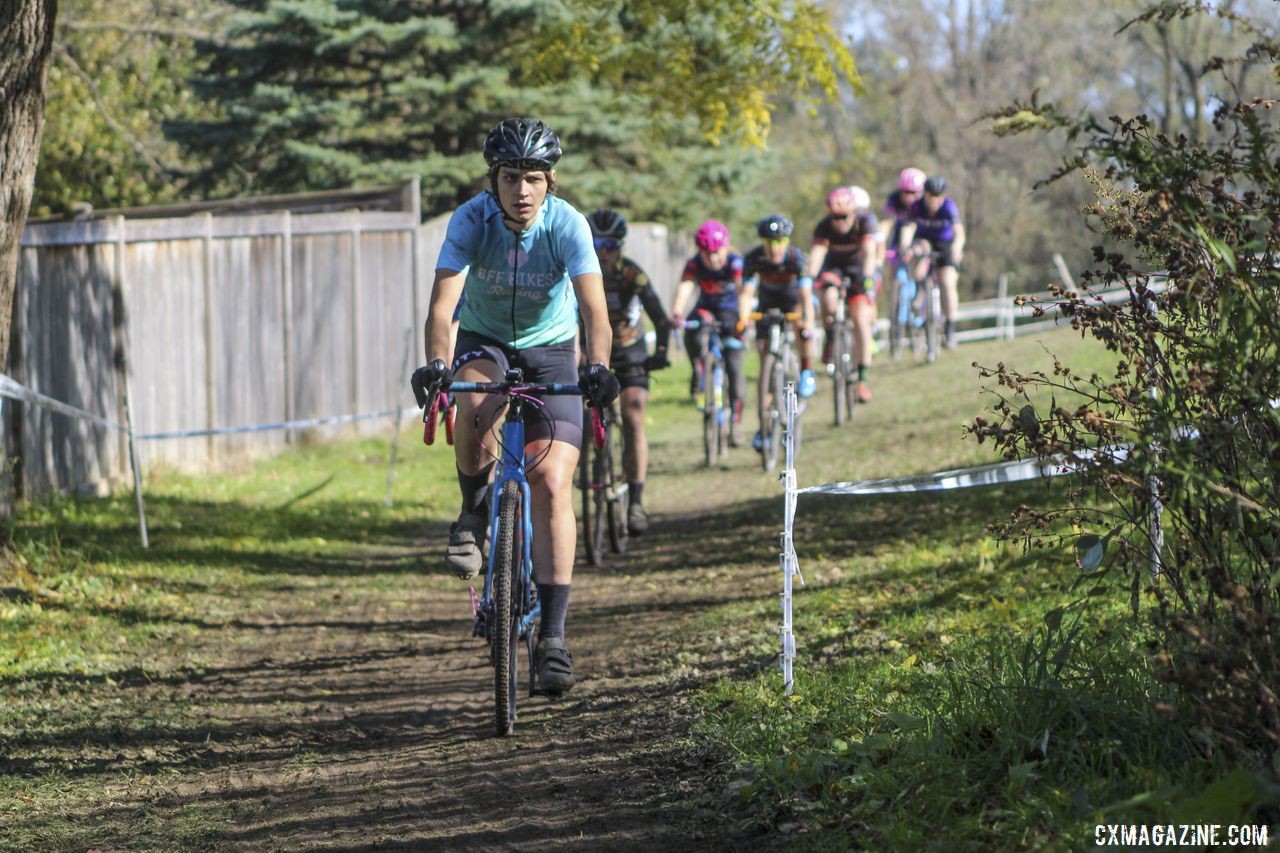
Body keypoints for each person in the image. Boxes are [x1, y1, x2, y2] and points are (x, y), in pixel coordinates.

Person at [409, 117, 619, 695]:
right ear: (492, 181)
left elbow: (595, 313)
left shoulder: (568, 225)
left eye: (532, 178)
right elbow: (441, 305)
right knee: (471, 399)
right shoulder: (471, 220)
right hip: (485, 341)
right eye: (509, 177)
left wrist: (598, 368)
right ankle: (472, 514)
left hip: (553, 350)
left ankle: (552, 638)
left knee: (552, 481)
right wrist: (435, 363)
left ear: (548, 182)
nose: (520, 190)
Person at [586, 208, 671, 534]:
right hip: (591, 352)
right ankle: (587, 471)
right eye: (597, 243)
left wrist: (660, 352)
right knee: (580, 415)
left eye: (611, 245)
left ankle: (636, 501)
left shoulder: (632, 274)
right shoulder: (578, 271)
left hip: (629, 352)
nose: (604, 251)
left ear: (620, 246)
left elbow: (660, 317)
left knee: (634, 416)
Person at [670, 220, 754, 447]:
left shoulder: (736, 262)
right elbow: (685, 287)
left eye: (717, 252)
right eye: (707, 254)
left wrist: (744, 318)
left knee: (735, 368)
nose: (713, 258)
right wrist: (677, 312)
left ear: (726, 247)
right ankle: (699, 369)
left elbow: (743, 291)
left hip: (731, 311)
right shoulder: (694, 264)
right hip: (706, 309)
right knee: (693, 329)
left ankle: (736, 420)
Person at [743, 214, 815, 452]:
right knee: (764, 354)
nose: (775, 248)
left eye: (780, 242)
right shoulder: (754, 258)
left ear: (787, 242)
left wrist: (808, 323)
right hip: (766, 302)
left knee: (801, 327)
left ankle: (806, 370)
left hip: (792, 300)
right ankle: (763, 424)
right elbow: (746, 294)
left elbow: (805, 297)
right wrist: (743, 318)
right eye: (770, 243)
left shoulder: (797, 258)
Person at [806, 186, 878, 402]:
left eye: (844, 217)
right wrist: (810, 276)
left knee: (860, 320)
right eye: (835, 217)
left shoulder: (865, 222)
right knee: (827, 300)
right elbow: (818, 253)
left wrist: (867, 276)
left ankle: (862, 380)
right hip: (833, 268)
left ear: (853, 212)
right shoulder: (824, 226)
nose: (839, 222)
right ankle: (830, 339)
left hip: (858, 269)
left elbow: (869, 252)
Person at [900, 175, 965, 349]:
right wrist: (905, 246)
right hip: (925, 242)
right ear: (925, 194)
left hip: (945, 245)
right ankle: (920, 292)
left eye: (938, 196)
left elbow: (958, 232)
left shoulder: (949, 207)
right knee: (920, 256)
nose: (934, 200)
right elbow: (909, 227)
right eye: (930, 196)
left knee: (947, 282)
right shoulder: (917, 206)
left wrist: (957, 249)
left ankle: (950, 327)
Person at [878, 167, 927, 340]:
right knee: (896, 274)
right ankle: (897, 312)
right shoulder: (894, 200)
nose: (909, 196)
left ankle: (921, 296)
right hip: (899, 241)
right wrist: (878, 240)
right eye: (905, 192)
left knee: (920, 268)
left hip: (921, 237)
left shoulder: (925, 205)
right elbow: (887, 223)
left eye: (913, 192)